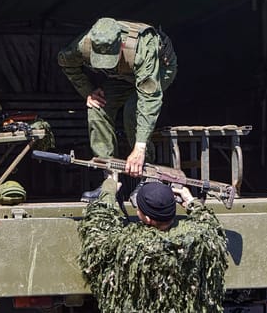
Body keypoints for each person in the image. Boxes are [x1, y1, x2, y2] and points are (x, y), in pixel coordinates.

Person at [58, 17, 178, 202]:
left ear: (121, 44)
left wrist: (139, 148)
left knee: (133, 109)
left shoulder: (142, 46)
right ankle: (110, 182)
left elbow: (149, 98)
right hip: (121, 77)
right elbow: (66, 61)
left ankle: (148, 179)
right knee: (97, 108)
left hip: (158, 70)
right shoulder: (83, 44)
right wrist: (88, 91)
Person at [77, 174, 228, 313]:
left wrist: (108, 192)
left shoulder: (129, 244)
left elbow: (97, 232)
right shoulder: (196, 240)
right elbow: (212, 227)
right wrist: (191, 202)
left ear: (147, 219)